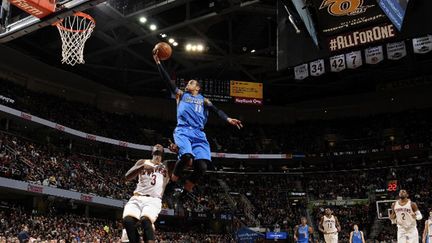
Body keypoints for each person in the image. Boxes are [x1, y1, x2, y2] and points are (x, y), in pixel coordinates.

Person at [153, 49, 243, 192]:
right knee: (187, 156)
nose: (187, 84)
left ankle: (185, 192)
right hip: (183, 131)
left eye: (191, 83)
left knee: (202, 167)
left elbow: (217, 111)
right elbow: (168, 81)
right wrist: (158, 62)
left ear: (197, 88)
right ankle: (172, 183)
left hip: (199, 134)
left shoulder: (204, 100)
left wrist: (228, 119)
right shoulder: (180, 95)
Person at [121, 144, 174, 243]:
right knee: (127, 221)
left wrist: (178, 151)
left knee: (145, 220)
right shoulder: (142, 162)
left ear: (163, 154)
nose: (158, 146)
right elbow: (127, 176)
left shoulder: (167, 165)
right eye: (156, 150)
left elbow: (186, 163)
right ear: (152, 152)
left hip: (153, 200)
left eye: (160, 151)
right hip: (137, 197)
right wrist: (142, 167)